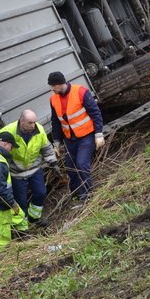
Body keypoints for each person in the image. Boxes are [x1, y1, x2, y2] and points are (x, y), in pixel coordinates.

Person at [48, 71, 105, 202]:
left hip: (87, 136)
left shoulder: (80, 92)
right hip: (70, 139)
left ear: (59, 84)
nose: (51, 89)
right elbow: (55, 122)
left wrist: (98, 134)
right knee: (70, 166)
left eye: (52, 86)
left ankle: (88, 195)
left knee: (81, 163)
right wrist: (56, 142)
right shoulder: (53, 99)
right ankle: (76, 194)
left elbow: (95, 113)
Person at [0, 109, 58, 227]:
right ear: (21, 121)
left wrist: (53, 163)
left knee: (40, 193)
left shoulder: (39, 130)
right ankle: (23, 228)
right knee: (20, 202)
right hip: (17, 173)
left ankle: (34, 218)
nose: (33, 125)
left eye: (34, 122)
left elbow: (46, 147)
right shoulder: (8, 131)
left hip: (34, 169)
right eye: (30, 122)